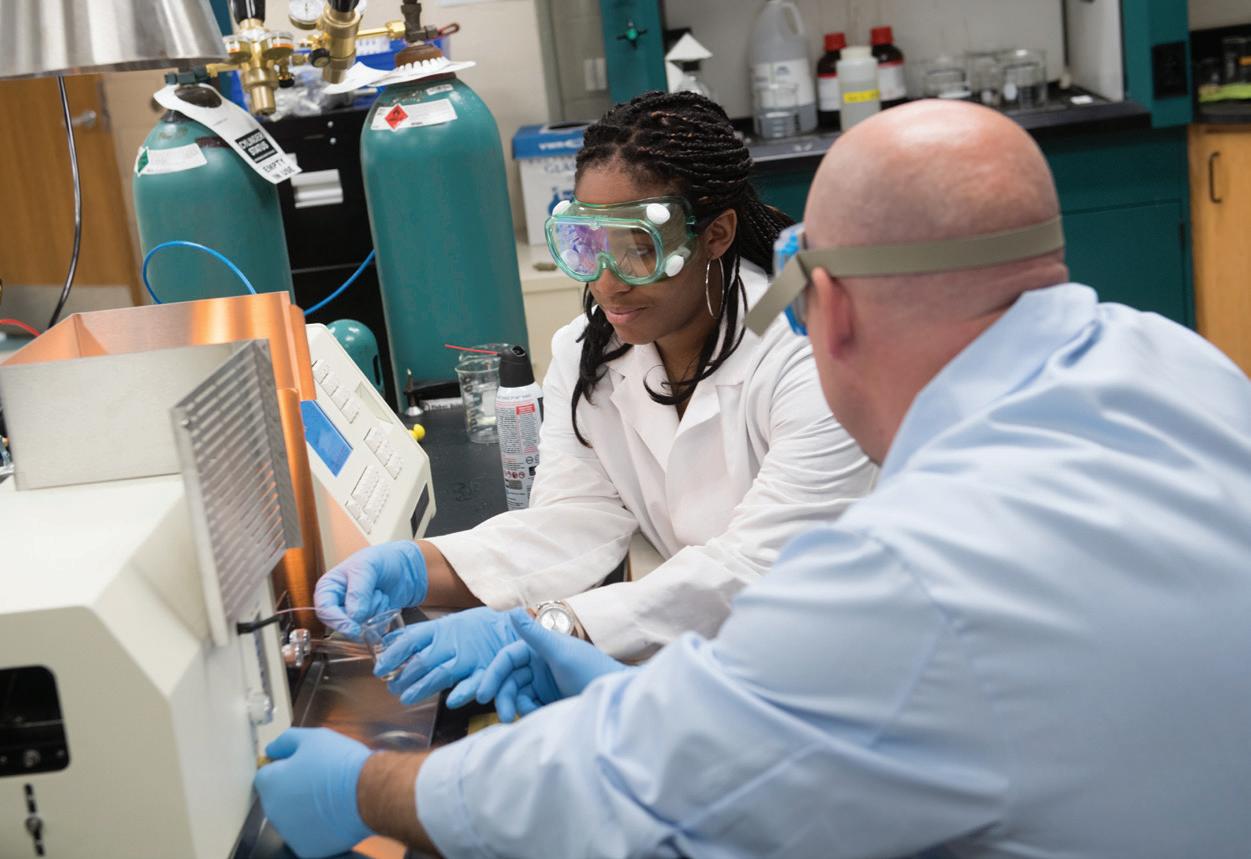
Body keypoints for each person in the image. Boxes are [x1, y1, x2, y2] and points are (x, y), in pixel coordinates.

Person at [256, 100, 1251, 858]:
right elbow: (589, 521)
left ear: (829, 305)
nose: (607, 278)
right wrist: (440, 570)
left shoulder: (914, 567)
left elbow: (637, 780)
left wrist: (370, 790)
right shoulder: (1180, 366)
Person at [314, 91, 876, 707]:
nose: (607, 281)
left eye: (639, 247)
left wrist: (555, 626)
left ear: (715, 235)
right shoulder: (592, 356)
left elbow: (760, 566)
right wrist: (421, 566)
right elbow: (574, 520)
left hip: (849, 674)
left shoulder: (807, 355)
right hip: (721, 670)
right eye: (585, 242)